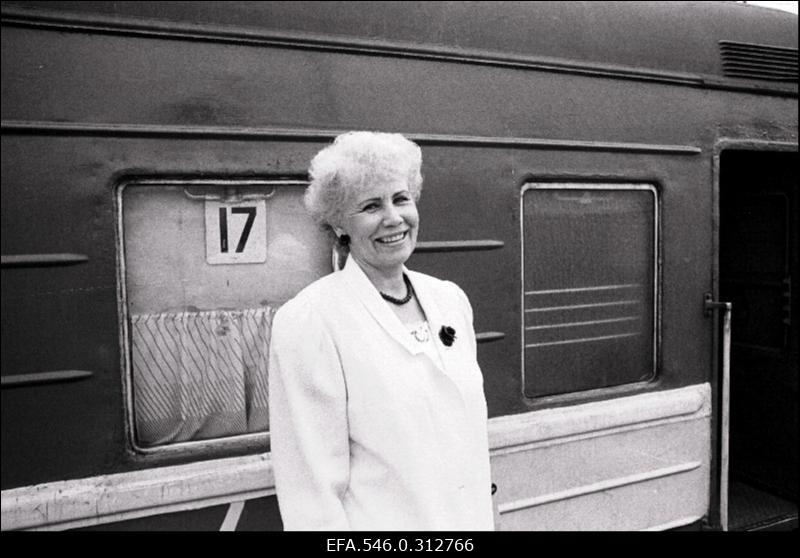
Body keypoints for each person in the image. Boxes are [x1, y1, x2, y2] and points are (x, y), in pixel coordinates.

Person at [268, 131, 495, 531]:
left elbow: (471, 445)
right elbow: (311, 495)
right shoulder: (310, 321)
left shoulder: (450, 301)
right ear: (339, 223)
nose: (393, 218)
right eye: (371, 206)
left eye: (400, 198)